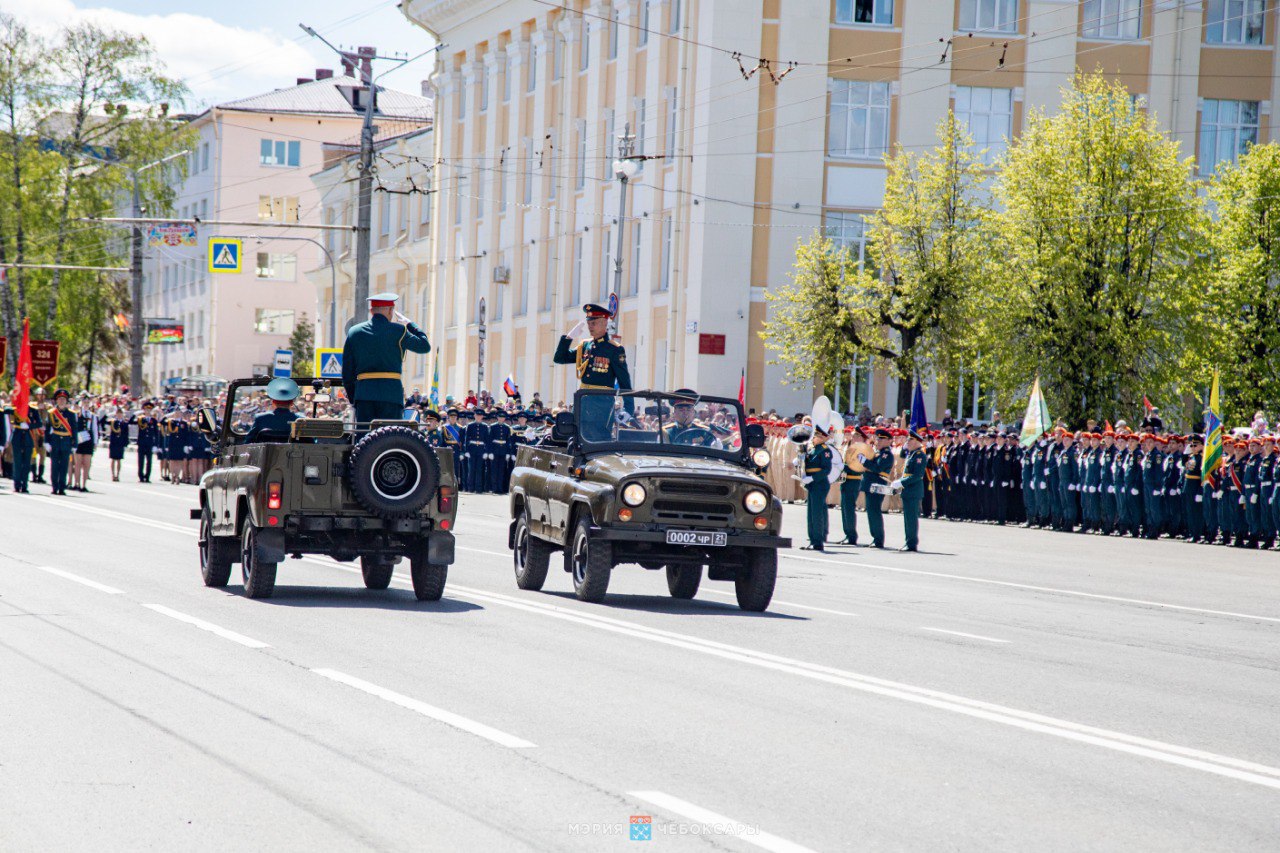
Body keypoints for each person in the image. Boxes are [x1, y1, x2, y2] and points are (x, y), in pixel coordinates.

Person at [341, 292, 431, 424]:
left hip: (364, 395)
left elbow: (347, 373)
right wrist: (411, 325)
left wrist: (355, 397)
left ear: (371, 311)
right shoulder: (399, 331)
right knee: (389, 440)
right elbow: (424, 346)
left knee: (365, 440)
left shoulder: (354, 332)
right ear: (390, 310)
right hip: (391, 395)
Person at [553, 303, 632, 407]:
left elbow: (624, 381)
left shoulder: (615, 349)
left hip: (602, 403)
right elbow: (559, 358)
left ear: (604, 323)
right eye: (588, 323)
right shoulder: (585, 346)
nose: (590, 326)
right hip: (582, 401)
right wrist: (568, 338)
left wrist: (628, 409)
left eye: (593, 323)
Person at [800, 423, 833, 551]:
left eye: (818, 435)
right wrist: (800, 460)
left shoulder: (825, 450)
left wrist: (812, 478)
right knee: (811, 513)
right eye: (815, 435)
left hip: (819, 483)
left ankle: (818, 541)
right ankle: (813, 539)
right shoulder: (813, 449)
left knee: (817, 513)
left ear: (824, 438)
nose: (815, 437)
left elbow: (826, 470)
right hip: (812, 484)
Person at [860, 427, 895, 549]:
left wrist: (865, 462)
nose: (878, 441)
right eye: (877, 439)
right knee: (871, 512)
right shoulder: (878, 453)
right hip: (870, 484)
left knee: (874, 512)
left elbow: (877, 468)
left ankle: (878, 539)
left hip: (877, 485)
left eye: (881, 439)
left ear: (888, 441)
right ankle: (875, 537)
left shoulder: (886, 455)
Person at [896, 427, 928, 552]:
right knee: (907, 518)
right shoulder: (912, 454)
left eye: (909, 441)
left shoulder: (920, 455)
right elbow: (902, 454)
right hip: (908, 490)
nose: (907, 443)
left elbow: (917, 475)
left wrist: (901, 482)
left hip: (913, 490)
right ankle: (908, 541)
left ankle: (912, 543)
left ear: (916, 442)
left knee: (911, 518)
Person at [243, 378, 300, 443]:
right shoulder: (300, 420)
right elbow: (310, 445)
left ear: (273, 403)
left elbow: (248, 442)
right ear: (292, 403)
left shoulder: (261, 419)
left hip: (266, 453)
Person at [45, 389, 76, 496]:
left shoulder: (71, 414)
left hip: (66, 441)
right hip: (55, 440)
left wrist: (74, 444)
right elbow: (48, 428)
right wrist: (47, 442)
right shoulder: (52, 413)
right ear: (56, 401)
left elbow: (74, 430)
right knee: (54, 465)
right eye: (59, 399)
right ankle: (54, 486)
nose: (61, 401)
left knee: (64, 465)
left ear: (66, 401)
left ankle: (62, 487)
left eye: (63, 399)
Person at [836, 430, 863, 546]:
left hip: (854, 480)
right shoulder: (850, 448)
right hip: (846, 481)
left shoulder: (861, 451)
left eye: (857, 435)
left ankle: (852, 536)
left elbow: (856, 467)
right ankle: (847, 533)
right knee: (845, 509)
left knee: (849, 509)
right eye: (854, 435)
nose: (854, 437)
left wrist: (843, 467)